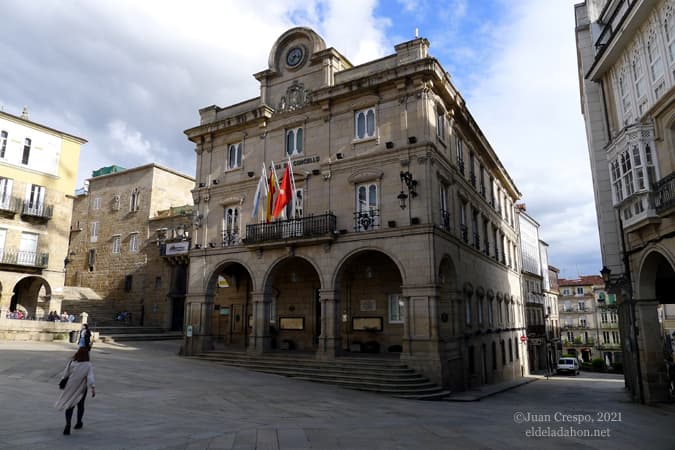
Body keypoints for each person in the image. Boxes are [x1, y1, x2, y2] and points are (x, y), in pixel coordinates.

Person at [55, 347, 96, 435]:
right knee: (80, 405)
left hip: (70, 386)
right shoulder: (88, 365)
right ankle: (78, 423)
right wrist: (92, 388)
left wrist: (62, 381)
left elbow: (65, 374)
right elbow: (90, 377)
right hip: (81, 388)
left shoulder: (71, 362)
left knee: (70, 405)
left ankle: (68, 423)